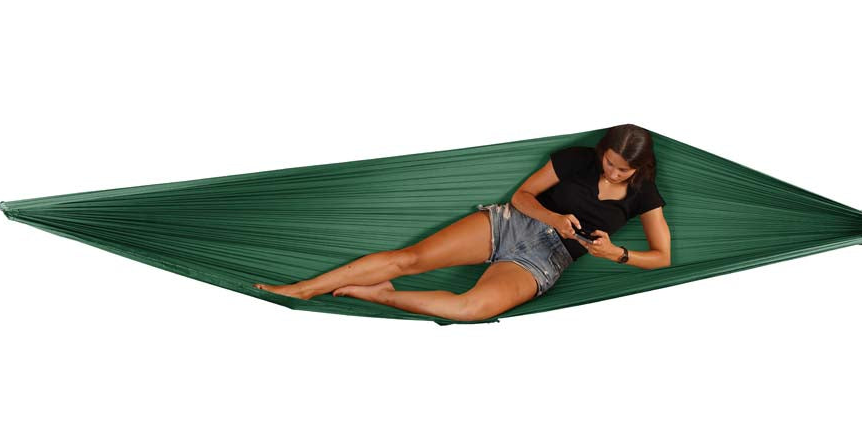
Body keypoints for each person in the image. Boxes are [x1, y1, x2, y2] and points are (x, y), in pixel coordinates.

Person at [253, 123, 672, 321]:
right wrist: (554, 217)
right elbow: (522, 196)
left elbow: (662, 257)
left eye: (623, 170)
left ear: (640, 167)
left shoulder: (645, 194)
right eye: (609, 162)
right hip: (514, 223)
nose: (613, 172)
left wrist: (617, 254)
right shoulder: (577, 159)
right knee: (409, 259)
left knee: (470, 309)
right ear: (603, 151)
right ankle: (304, 289)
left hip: (546, 260)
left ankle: (383, 296)